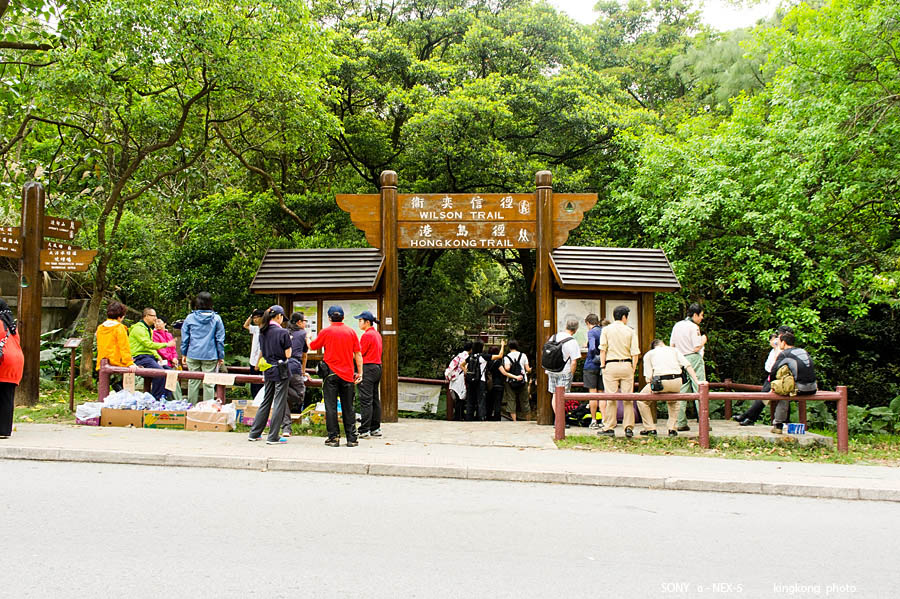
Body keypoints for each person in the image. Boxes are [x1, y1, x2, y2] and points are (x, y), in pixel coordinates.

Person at [309, 306, 362, 447]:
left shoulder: (326, 332)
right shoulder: (351, 332)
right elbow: (357, 354)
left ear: (329, 317)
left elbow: (313, 346)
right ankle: (352, 438)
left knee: (331, 407)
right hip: (347, 374)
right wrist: (360, 372)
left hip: (330, 374)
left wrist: (308, 338)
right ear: (343, 317)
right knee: (349, 407)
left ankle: (334, 438)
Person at [247, 305, 292, 444]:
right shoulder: (283, 332)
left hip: (267, 369)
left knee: (266, 400)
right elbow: (288, 354)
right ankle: (273, 436)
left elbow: (262, 351)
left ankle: (254, 433)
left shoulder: (262, 331)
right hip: (281, 369)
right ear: (278, 316)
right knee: (279, 402)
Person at [734, 326, 794, 426]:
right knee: (767, 398)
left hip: (777, 377)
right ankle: (750, 418)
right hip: (773, 375)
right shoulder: (779, 346)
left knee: (765, 397)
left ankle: (748, 417)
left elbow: (777, 363)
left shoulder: (784, 348)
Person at [638, 340, 699, 436]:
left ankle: (650, 428)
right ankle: (672, 429)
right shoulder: (674, 350)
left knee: (641, 400)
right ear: (663, 344)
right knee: (674, 401)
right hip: (677, 382)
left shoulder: (649, 354)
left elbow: (648, 378)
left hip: (661, 382)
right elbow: (688, 366)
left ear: (653, 347)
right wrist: (697, 382)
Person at [598, 305, 641, 437]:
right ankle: (628, 427)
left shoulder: (606, 330)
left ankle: (609, 427)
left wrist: (603, 366)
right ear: (624, 317)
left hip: (611, 365)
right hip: (626, 364)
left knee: (611, 397)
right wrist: (633, 368)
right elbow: (635, 353)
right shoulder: (630, 331)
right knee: (628, 397)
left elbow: (603, 350)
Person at [767, 332, 817, 434]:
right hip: (813, 388)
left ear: (783, 342)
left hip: (800, 389)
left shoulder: (785, 354)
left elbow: (773, 371)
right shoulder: (803, 351)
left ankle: (778, 425)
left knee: (782, 394)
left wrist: (772, 385)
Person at [180, 292, 225, 404]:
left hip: (193, 354)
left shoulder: (190, 318)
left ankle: (191, 408)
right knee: (209, 383)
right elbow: (219, 339)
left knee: (193, 382)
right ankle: (207, 409)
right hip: (210, 355)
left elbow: (185, 338)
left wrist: (184, 353)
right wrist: (220, 356)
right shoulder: (216, 319)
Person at [670, 302, 708, 432]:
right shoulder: (694, 327)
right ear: (695, 314)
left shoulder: (677, 325)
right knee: (700, 388)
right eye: (701, 315)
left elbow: (672, 345)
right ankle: (704, 421)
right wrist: (704, 339)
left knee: (682, 390)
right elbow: (696, 346)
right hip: (693, 358)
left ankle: (680, 422)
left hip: (679, 358)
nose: (702, 318)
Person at [128, 307, 176, 399]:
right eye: (153, 316)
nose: (155, 318)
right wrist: (166, 345)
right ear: (146, 316)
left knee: (170, 372)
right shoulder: (139, 329)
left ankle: (166, 398)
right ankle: (156, 399)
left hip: (149, 357)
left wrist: (157, 356)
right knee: (159, 373)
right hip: (140, 357)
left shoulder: (148, 329)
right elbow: (148, 344)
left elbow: (150, 347)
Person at [95, 301, 137, 392]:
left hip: (102, 361)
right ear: (120, 316)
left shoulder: (100, 328)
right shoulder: (119, 328)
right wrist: (129, 363)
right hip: (116, 362)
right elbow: (124, 347)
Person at [545, 319, 581, 420]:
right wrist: (571, 374)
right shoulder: (572, 341)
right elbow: (574, 362)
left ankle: (558, 419)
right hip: (564, 371)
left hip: (551, 370)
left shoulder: (554, 336)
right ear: (576, 329)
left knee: (554, 395)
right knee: (562, 396)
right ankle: (561, 421)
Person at [355, 310, 383, 438]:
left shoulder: (367, 336)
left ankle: (364, 430)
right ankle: (375, 427)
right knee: (374, 399)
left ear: (367, 322)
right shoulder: (376, 334)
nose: (359, 323)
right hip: (377, 367)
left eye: (360, 320)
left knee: (366, 400)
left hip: (367, 367)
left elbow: (360, 353)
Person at [0, 298, 24, 439]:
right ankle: (4, 430)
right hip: (16, 362)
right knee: (6, 396)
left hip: (3, 361)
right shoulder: (10, 325)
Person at [465, 340, 505, 421]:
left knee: (470, 401)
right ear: (481, 347)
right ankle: (481, 418)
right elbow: (500, 356)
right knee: (481, 401)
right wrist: (503, 345)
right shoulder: (483, 357)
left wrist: (468, 373)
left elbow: (462, 364)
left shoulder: (471, 357)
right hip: (480, 381)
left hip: (471, 381)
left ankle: (469, 418)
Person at [499, 339, 532, 421]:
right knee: (525, 400)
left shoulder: (507, 357)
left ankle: (514, 422)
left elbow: (507, 368)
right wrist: (531, 370)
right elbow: (527, 369)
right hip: (522, 380)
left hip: (510, 381)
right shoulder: (523, 355)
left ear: (509, 347)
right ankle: (528, 420)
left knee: (511, 400)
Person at [152, 319, 183, 400]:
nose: (157, 324)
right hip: (161, 362)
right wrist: (171, 358)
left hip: (170, 362)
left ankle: (177, 399)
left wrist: (175, 358)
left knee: (174, 381)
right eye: (155, 322)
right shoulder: (153, 334)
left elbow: (173, 349)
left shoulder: (168, 335)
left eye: (159, 321)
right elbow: (160, 350)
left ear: (165, 323)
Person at [582, 313, 604, 429]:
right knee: (602, 393)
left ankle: (594, 420)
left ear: (588, 323)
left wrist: (592, 354)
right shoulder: (603, 331)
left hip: (591, 365)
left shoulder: (591, 332)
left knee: (593, 393)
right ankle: (604, 420)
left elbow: (591, 347)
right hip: (602, 365)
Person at [445, 342, 471, 421]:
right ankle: (459, 417)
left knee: (457, 399)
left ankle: (458, 416)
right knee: (461, 398)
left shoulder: (459, 355)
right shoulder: (467, 357)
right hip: (461, 379)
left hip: (454, 379)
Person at [243, 309, 265, 400]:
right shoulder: (256, 329)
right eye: (254, 318)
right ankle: (254, 400)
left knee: (259, 384)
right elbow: (245, 325)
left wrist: (258, 363)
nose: (255, 320)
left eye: (257, 317)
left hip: (260, 362)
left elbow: (263, 349)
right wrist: (251, 315)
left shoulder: (265, 330)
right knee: (253, 383)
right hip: (253, 360)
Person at [486, 345, 506, 421]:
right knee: (497, 403)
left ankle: (488, 417)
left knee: (489, 402)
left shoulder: (486, 361)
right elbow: (503, 372)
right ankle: (497, 418)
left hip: (488, 384)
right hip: (498, 384)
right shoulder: (498, 362)